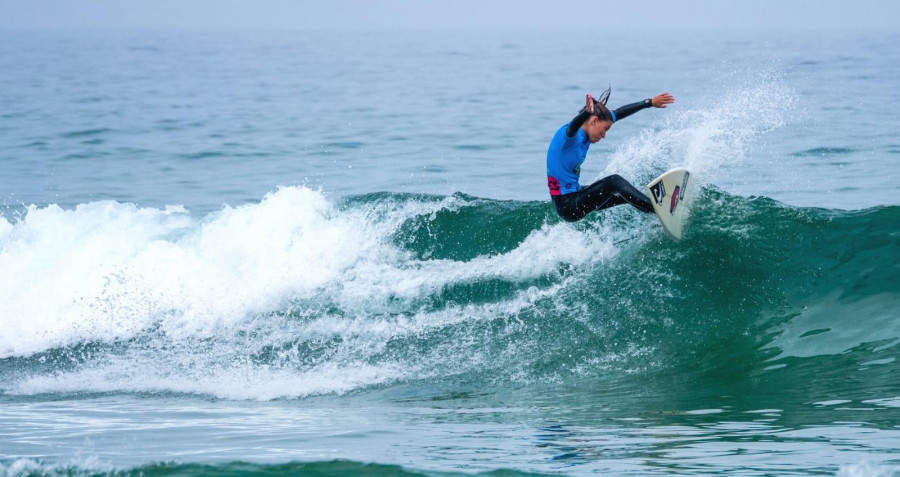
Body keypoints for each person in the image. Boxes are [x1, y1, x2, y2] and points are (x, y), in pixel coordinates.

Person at [546, 88, 675, 222]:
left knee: (625, 195)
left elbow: (619, 113)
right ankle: (660, 211)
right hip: (568, 206)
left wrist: (649, 102)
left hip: (572, 196)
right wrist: (586, 113)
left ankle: (657, 218)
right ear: (594, 121)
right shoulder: (569, 137)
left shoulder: (587, 131)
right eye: (604, 129)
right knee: (614, 181)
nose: (604, 135)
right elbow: (572, 127)